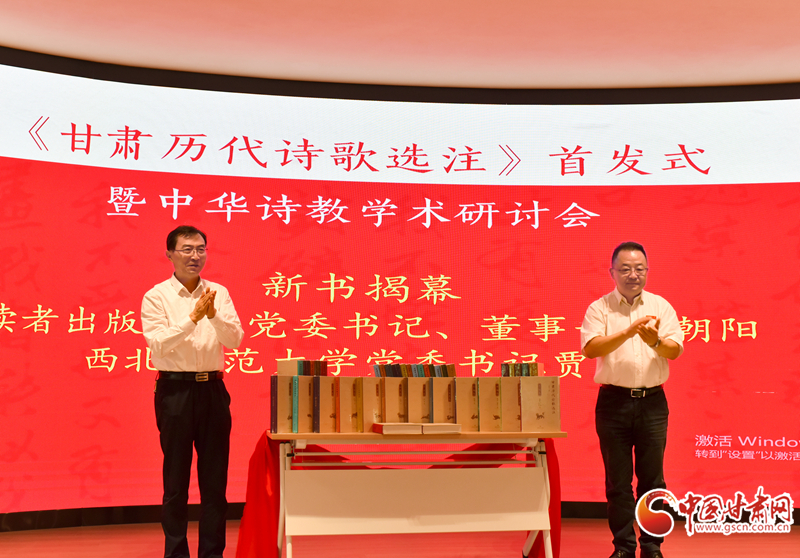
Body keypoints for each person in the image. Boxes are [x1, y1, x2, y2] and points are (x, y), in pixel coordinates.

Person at [142, 225, 244, 558]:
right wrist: (193, 318)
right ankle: (176, 554)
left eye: (201, 249)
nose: (195, 256)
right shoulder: (157, 296)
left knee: (215, 482)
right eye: (187, 249)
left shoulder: (219, 293)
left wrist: (212, 315)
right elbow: (158, 345)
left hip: (213, 390)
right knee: (176, 482)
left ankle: (212, 554)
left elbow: (235, 339)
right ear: (169, 254)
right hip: (175, 391)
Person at [580, 242, 684, 558]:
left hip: (653, 402)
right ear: (612, 272)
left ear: (647, 271)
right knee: (618, 482)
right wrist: (628, 331)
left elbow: (674, 351)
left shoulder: (661, 306)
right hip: (613, 403)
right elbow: (590, 348)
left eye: (639, 269)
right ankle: (623, 547)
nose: (633, 275)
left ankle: (652, 546)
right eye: (625, 269)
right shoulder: (599, 308)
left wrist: (655, 341)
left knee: (653, 480)